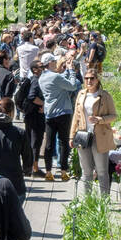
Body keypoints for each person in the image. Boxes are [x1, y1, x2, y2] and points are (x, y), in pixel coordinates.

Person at [70, 69, 117, 197]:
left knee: (102, 171)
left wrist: (100, 120)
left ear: (97, 80)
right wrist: (71, 136)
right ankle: (88, 200)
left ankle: (104, 201)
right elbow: (76, 116)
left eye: (92, 78)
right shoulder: (81, 94)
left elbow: (113, 116)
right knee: (86, 171)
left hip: (99, 137)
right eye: (86, 78)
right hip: (83, 136)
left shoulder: (105, 96)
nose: (89, 81)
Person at [40, 51, 82, 182]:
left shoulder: (42, 77)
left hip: (49, 113)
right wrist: (72, 71)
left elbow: (59, 78)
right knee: (64, 142)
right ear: (51, 63)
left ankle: (48, 172)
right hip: (63, 112)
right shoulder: (55, 77)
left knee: (49, 143)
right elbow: (72, 85)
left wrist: (67, 71)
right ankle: (63, 172)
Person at [0, 97, 32, 200]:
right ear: (10, 113)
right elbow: (27, 156)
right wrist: (27, 170)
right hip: (15, 183)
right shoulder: (20, 133)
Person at [15, 58, 46, 177]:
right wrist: (44, 104)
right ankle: (34, 168)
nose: (44, 69)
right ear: (35, 70)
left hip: (29, 114)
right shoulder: (36, 80)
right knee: (36, 142)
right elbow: (32, 96)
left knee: (30, 141)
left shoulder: (34, 79)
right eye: (41, 67)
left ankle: (28, 167)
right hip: (35, 115)